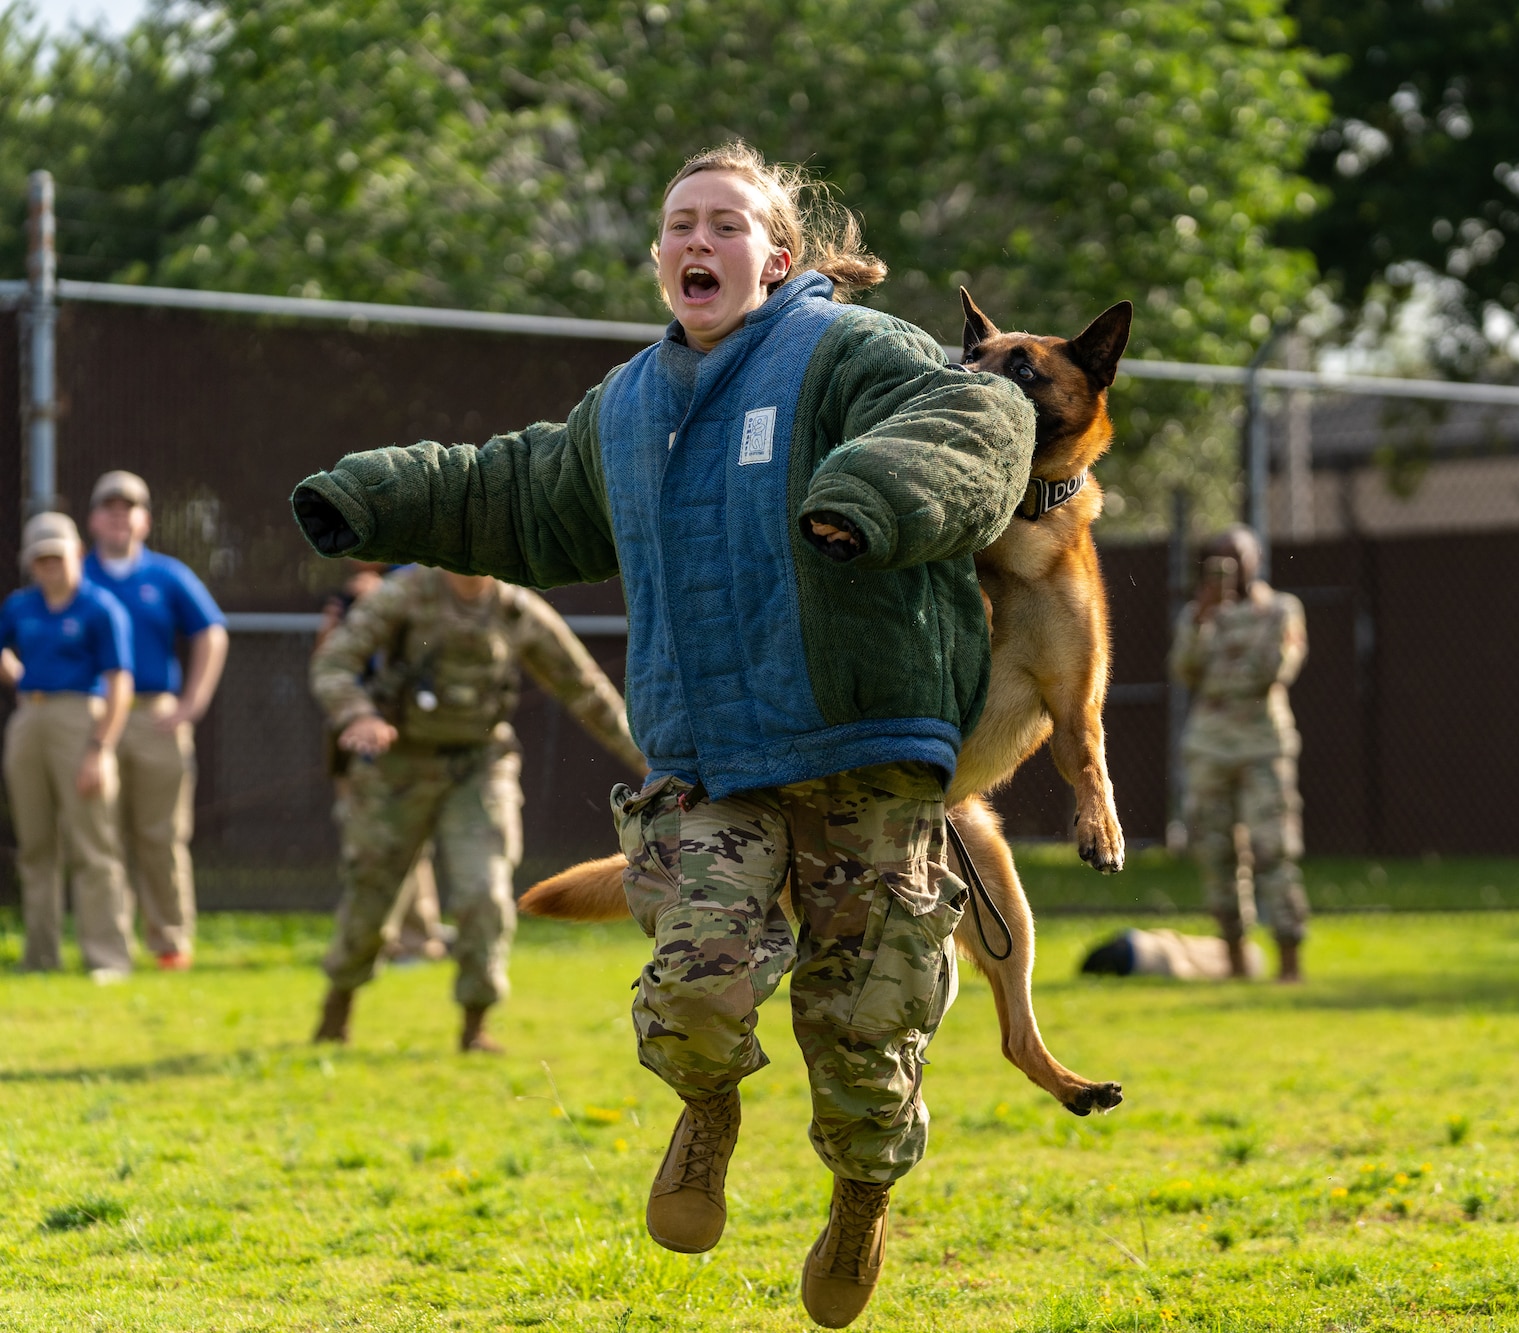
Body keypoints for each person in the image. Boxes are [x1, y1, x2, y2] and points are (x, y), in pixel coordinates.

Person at [287, 141, 1034, 1328]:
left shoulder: (846, 349)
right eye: (680, 224)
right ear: (656, 259)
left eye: (726, 225)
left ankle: (858, 1196)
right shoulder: (629, 406)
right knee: (694, 994)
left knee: (863, 1029)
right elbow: (515, 489)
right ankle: (709, 1110)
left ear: (776, 257)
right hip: (709, 757)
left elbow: (979, 411)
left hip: (862, 742)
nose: (699, 241)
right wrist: (376, 496)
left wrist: (877, 494)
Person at [308, 564, 645, 1051]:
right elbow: (333, 664)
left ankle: (475, 1025)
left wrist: (652, 760)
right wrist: (357, 714)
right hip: (398, 765)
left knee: (485, 891)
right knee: (372, 896)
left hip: (478, 766)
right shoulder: (403, 595)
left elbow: (585, 688)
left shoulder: (515, 608)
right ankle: (338, 1005)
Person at [82, 470, 228, 970]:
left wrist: (192, 702)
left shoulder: (167, 575)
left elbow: (211, 632)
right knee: (100, 835)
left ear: (145, 520)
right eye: (110, 507)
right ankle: (108, 948)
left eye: (131, 508)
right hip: (93, 718)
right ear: (93, 518)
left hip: (155, 716)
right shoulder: (75, 575)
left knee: (160, 834)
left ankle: (169, 942)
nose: (120, 516)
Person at [1169, 525, 1310, 983]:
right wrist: (1203, 620)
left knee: (1274, 849)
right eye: (1219, 558)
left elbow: (1274, 669)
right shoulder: (1198, 615)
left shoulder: (1281, 610)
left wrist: (1225, 656)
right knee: (1216, 853)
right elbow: (1184, 671)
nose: (1229, 566)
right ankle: (1235, 962)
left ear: (1257, 559)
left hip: (1262, 747)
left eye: (1238, 556)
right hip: (1209, 748)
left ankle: (1290, 960)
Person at [0, 511, 136, 980]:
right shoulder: (19, 607)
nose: (49, 566)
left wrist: (99, 749)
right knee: (35, 846)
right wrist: (17, 674)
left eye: (56, 556)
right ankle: (40, 954)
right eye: (40, 559)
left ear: (77, 553)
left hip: (82, 719)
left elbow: (120, 683)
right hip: (28, 718)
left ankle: (108, 957)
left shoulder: (102, 609)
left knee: (93, 845)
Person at [316, 560, 448, 964]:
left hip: (405, 732)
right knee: (365, 839)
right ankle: (382, 940)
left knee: (404, 837)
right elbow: (327, 663)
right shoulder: (352, 594)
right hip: (356, 731)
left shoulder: (418, 579)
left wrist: (380, 598)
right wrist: (341, 621)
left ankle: (417, 939)